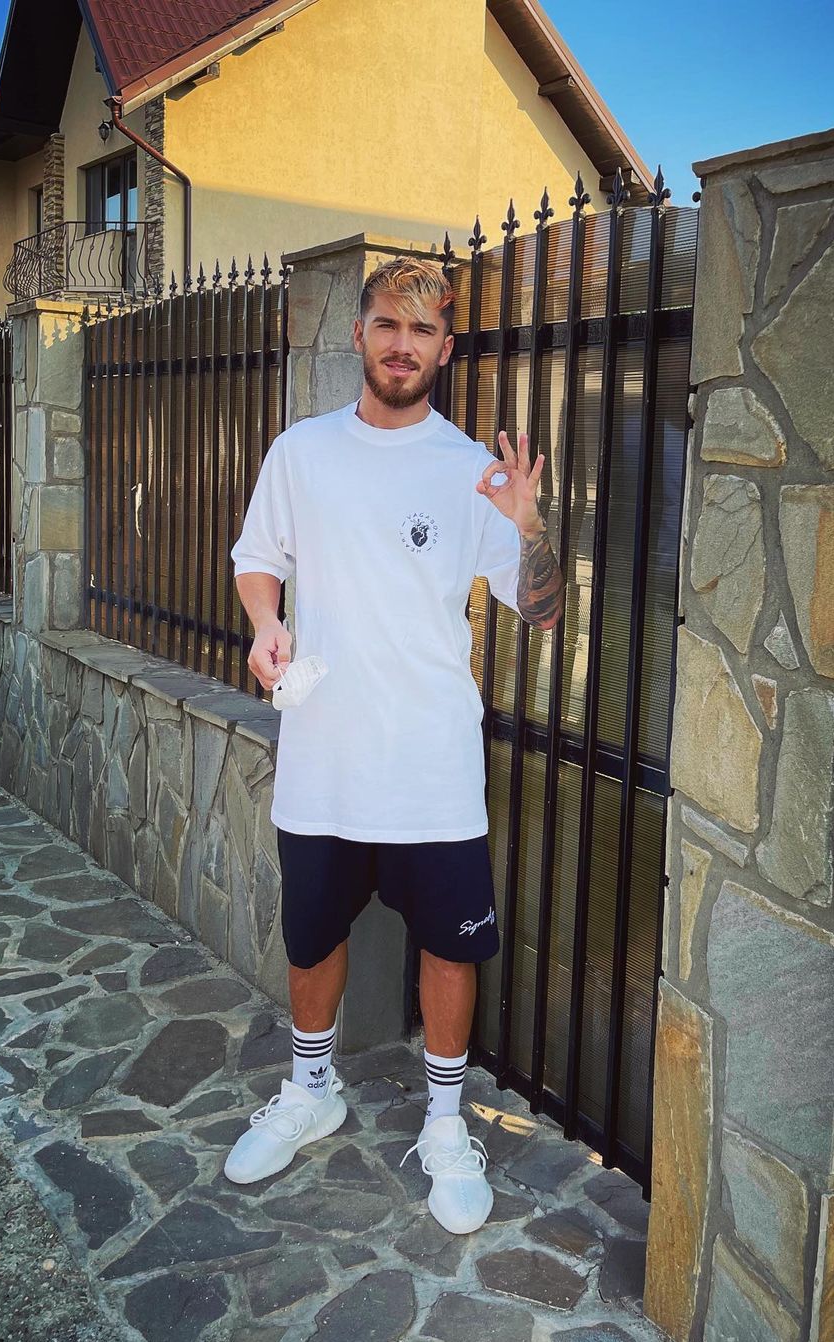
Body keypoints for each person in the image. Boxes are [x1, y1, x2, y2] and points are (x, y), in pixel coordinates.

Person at [224, 257, 566, 1235]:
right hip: (324, 756)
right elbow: (256, 559)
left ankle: (447, 1125)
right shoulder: (302, 451)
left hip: (432, 765)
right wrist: (266, 624)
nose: (402, 345)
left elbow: (542, 609)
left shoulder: (470, 471)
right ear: (361, 335)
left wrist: (528, 523)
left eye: (422, 331)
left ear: (445, 349)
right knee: (312, 938)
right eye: (387, 325)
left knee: (450, 951)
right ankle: (311, 1091)